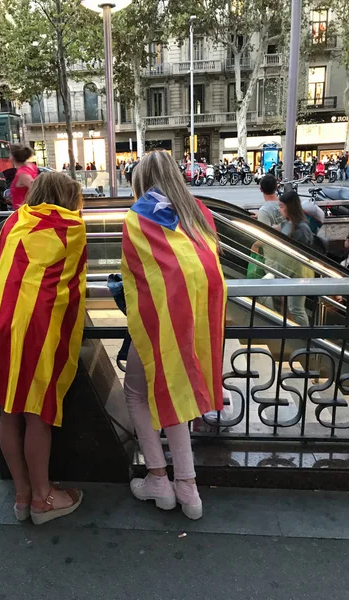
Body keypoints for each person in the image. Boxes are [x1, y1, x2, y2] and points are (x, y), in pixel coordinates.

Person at [0, 172, 86, 525]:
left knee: (9, 409)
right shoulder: (71, 226)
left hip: (3, 324)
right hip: (38, 330)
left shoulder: (12, 222)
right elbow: (73, 284)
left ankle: (22, 495)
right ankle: (44, 498)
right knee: (37, 412)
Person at [122, 151, 227, 520]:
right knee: (176, 389)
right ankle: (188, 489)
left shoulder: (138, 215)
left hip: (161, 321)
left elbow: (136, 275)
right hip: (198, 321)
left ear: (141, 178)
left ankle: (158, 480)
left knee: (136, 392)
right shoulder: (198, 210)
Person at [279, 191, 314, 326]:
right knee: (291, 306)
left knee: (296, 308)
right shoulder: (290, 223)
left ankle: (306, 338)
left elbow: (303, 252)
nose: (280, 210)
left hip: (299, 271)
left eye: (282, 206)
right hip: (289, 270)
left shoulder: (301, 228)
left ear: (290, 207)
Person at [9, 144, 39, 210]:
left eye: (10, 154)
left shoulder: (23, 174)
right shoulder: (31, 166)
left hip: (23, 211)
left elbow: (36, 190)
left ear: (13, 157)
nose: (9, 157)